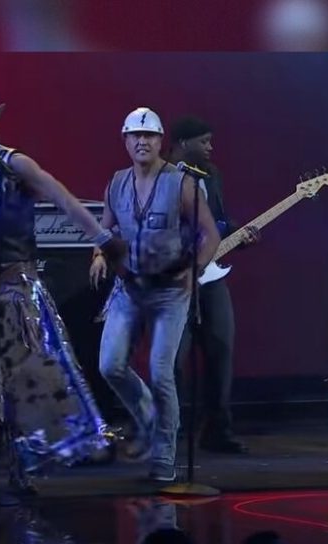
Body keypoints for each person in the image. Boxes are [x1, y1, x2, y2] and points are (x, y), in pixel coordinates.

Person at [0, 90, 122, 492]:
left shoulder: (14, 163)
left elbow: (59, 195)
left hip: (12, 288)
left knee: (16, 381)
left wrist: (102, 237)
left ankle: (22, 466)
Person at [88, 107, 221, 483]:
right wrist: (99, 254)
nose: (142, 142)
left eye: (149, 136)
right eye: (135, 136)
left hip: (170, 290)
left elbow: (209, 235)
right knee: (109, 364)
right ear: (126, 141)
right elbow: (106, 229)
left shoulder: (181, 183)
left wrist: (195, 271)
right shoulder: (116, 182)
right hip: (129, 286)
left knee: (161, 371)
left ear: (161, 141)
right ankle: (147, 415)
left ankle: (165, 452)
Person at [167, 116, 258, 454]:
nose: (210, 147)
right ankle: (169, 432)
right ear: (183, 143)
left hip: (211, 277)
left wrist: (240, 234)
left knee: (220, 350)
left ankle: (217, 430)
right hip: (175, 278)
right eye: (203, 141)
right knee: (173, 359)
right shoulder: (161, 176)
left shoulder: (212, 175)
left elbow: (218, 218)